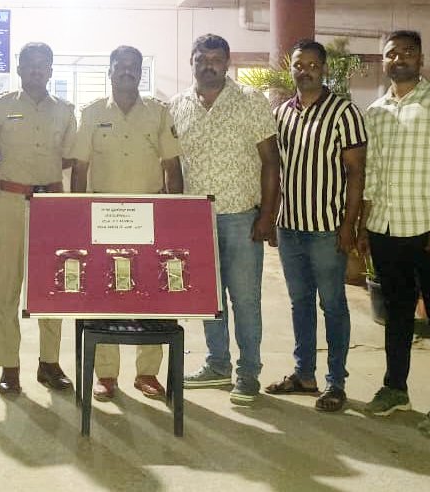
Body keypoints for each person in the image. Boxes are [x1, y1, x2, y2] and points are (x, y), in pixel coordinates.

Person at [361, 30, 430, 435]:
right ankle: (395, 388)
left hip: (428, 228)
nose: (400, 58)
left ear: (421, 60)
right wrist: (365, 225)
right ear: (383, 60)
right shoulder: (376, 111)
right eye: (392, 53)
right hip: (386, 226)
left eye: (408, 52)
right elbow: (372, 174)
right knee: (396, 313)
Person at [169, 33, 281, 405]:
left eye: (216, 59)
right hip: (196, 222)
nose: (209, 66)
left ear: (227, 63)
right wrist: (176, 216)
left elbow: (271, 161)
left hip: (241, 218)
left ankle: (248, 373)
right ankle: (217, 365)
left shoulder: (250, 100)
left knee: (245, 300)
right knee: (208, 298)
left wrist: (267, 215)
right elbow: (174, 166)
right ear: (192, 61)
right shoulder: (177, 106)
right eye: (201, 59)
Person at [70, 45, 184, 401]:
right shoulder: (91, 113)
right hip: (104, 217)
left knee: (150, 291)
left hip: (149, 215)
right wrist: (78, 214)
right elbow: (80, 168)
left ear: (140, 72)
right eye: (120, 66)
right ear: (110, 71)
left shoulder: (158, 113)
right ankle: (106, 375)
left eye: (133, 66)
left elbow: (172, 165)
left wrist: (174, 214)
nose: (127, 71)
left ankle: (147, 372)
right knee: (105, 293)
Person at [262, 39, 367, 413]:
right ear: (290, 68)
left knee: (333, 304)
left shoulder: (344, 112)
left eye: (311, 64)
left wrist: (349, 225)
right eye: (298, 64)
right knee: (300, 303)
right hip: (290, 226)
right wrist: (272, 218)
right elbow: (275, 170)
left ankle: (336, 382)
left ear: (323, 69)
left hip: (327, 228)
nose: (304, 70)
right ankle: (304, 374)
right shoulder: (281, 114)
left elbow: (356, 173)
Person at [0, 42, 76, 395]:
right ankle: (10, 367)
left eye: (43, 64)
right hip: (11, 203)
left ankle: (49, 363)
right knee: (9, 284)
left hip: (51, 206)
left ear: (51, 70)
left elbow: (70, 156)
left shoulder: (65, 111)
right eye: (30, 63)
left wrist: (43, 179)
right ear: (19, 68)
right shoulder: (0, 107)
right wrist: (11, 175)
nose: (36, 69)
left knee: (52, 284)